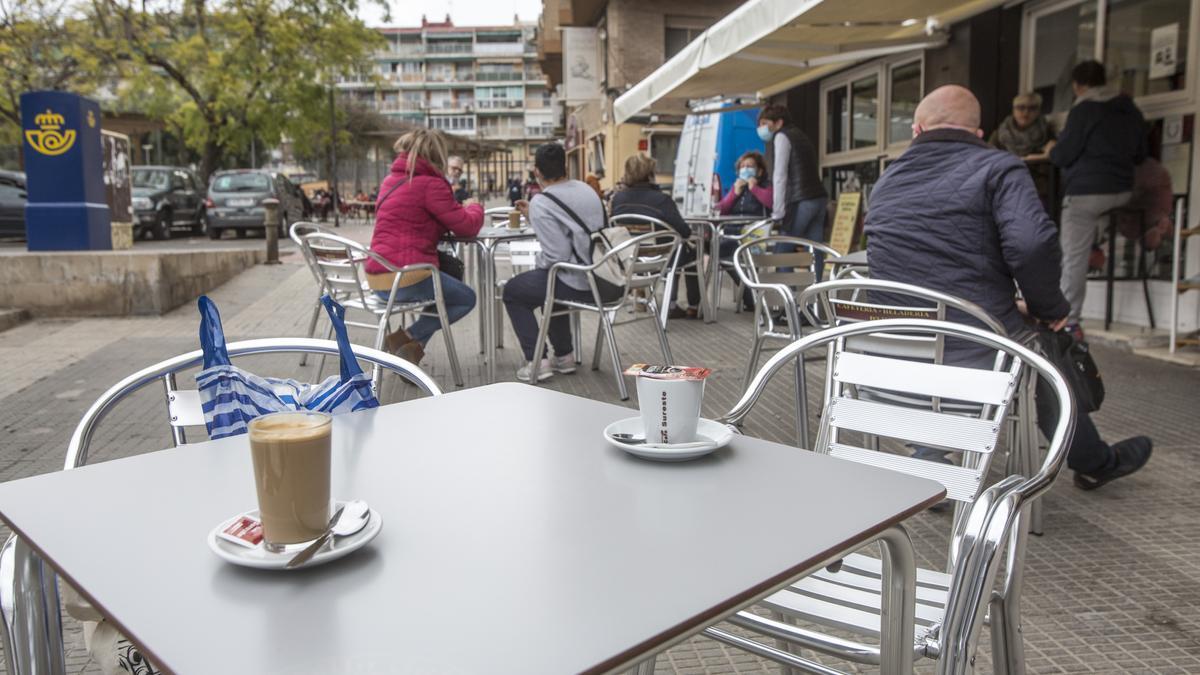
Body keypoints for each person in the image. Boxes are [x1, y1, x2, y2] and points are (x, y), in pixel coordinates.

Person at [864, 84, 1151, 491]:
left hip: (887, 369)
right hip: (974, 361)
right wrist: (1048, 308)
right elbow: (1032, 245)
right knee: (1046, 347)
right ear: (978, 134)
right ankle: (1093, 460)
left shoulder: (886, 182)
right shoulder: (999, 168)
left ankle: (931, 456)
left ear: (916, 130)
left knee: (1005, 326)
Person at [503, 143, 623, 381]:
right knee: (552, 280)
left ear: (537, 172)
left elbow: (555, 256)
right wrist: (535, 215)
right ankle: (564, 356)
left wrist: (537, 262)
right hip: (606, 278)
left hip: (582, 283)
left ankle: (537, 361)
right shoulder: (586, 189)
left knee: (514, 291)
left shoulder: (542, 201)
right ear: (565, 166)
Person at [366, 128, 483, 366]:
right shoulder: (431, 184)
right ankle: (406, 338)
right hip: (406, 279)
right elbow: (467, 227)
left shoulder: (390, 181)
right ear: (437, 156)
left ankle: (410, 356)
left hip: (377, 278)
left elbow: (411, 220)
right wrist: (474, 207)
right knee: (465, 298)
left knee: (439, 291)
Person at [1050, 60, 1147, 336]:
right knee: (1098, 222)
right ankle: (1099, 240)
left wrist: (1052, 148)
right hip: (1124, 191)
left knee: (1073, 255)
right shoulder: (1128, 108)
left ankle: (1069, 319)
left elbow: (1063, 155)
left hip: (1087, 192)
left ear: (1078, 86)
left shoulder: (1084, 110)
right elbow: (1141, 152)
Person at [610, 153, 701, 319]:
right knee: (690, 252)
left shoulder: (618, 200)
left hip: (631, 258)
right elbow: (684, 231)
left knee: (674, 249)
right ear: (650, 174)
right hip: (662, 258)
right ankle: (692, 306)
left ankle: (667, 303)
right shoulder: (661, 200)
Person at [756, 104, 828, 253]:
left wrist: (778, 212)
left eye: (764, 123)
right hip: (819, 198)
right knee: (816, 249)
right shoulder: (801, 136)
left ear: (779, 122)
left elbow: (780, 176)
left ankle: (783, 277)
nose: (761, 128)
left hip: (801, 200)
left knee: (783, 249)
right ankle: (818, 277)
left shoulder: (781, 136)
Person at [714, 150, 772, 311]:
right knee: (718, 248)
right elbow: (721, 209)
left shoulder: (765, 186)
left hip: (753, 235)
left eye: (750, 166)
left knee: (721, 250)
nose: (745, 169)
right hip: (732, 233)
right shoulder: (737, 186)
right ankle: (750, 294)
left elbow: (770, 203)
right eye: (743, 166)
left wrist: (755, 189)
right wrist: (734, 193)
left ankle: (750, 296)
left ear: (759, 170)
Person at [989, 93, 1057, 159]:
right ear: (1013, 110)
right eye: (1021, 107)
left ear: (1038, 111)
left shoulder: (1047, 131)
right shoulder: (1000, 134)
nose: (1026, 112)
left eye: (1032, 108)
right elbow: (989, 157)